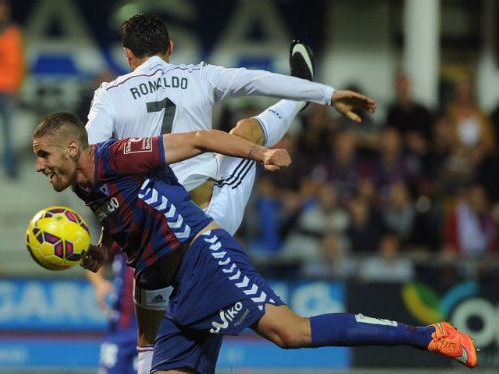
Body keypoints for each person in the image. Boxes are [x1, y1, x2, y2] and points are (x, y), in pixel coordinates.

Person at [33, 113, 478, 373]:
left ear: (73, 149)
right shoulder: (85, 186)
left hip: (204, 258)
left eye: (44, 155)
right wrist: (103, 250)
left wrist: (260, 154)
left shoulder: (115, 155)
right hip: (177, 295)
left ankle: (424, 335)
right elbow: (126, 218)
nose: (39, 166)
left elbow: (197, 139)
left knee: (291, 333)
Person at [85, 13, 377, 372]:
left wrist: (105, 239)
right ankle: (300, 97)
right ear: (171, 48)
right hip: (208, 217)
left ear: (128, 55)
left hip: (155, 236)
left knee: (150, 343)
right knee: (245, 133)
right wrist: (328, 96)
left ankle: (299, 98)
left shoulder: (109, 95)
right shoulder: (200, 75)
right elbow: (259, 80)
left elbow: (94, 165)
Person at [87, 251, 138, 374]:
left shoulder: (167, 238)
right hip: (119, 328)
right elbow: (93, 259)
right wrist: (99, 283)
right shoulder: (121, 235)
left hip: (154, 332)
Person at [0, 0, 24, 179]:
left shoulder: (13, 32)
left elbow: (18, 64)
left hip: (7, 88)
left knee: (9, 131)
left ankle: (10, 167)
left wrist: (16, 88)